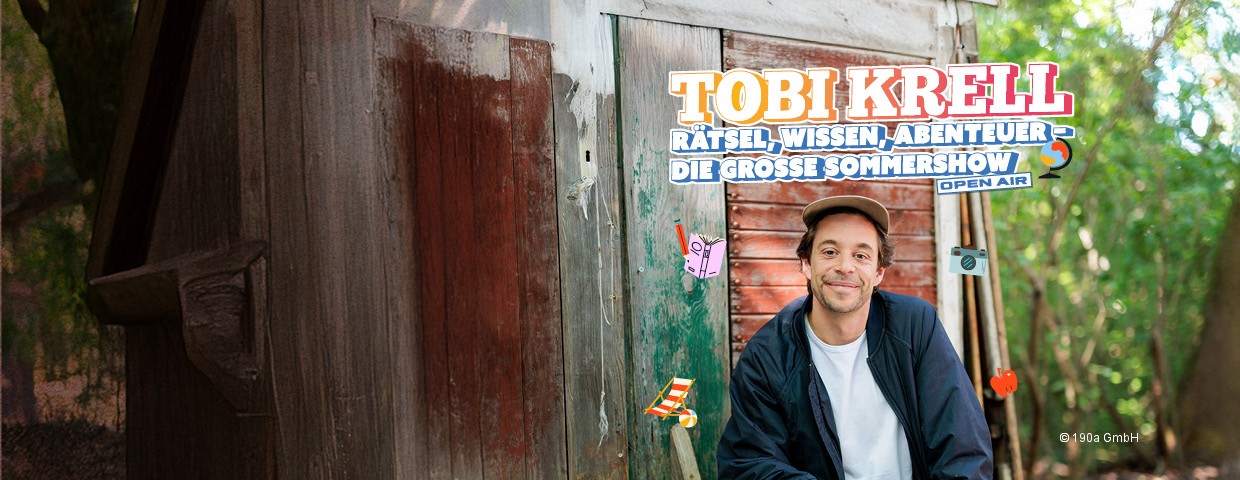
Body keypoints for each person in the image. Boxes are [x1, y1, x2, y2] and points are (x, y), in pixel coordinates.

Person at [717, 195, 993, 479]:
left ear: (878, 272)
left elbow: (963, 450)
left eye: (861, 255)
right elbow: (750, 463)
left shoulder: (915, 326)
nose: (845, 267)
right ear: (806, 264)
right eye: (829, 252)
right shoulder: (768, 355)